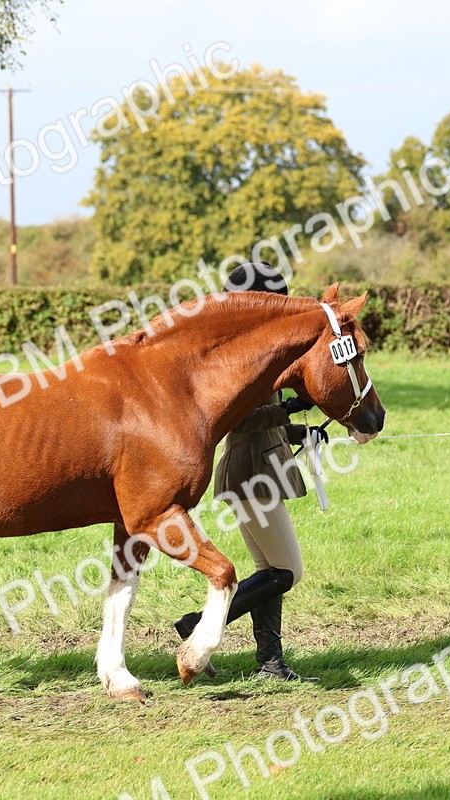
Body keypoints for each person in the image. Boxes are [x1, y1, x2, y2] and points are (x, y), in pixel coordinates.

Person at [173, 261, 325, 681]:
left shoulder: (255, 346)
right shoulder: (238, 354)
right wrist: (287, 408)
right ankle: (197, 625)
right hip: (250, 474)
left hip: (258, 469)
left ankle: (270, 662)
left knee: (269, 573)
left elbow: (263, 419)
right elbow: (238, 419)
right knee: (289, 571)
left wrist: (298, 430)